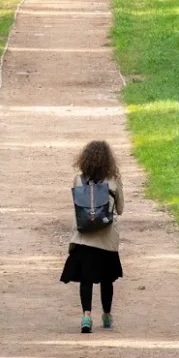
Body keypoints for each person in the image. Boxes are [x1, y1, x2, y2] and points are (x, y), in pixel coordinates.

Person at [59, 140, 125, 333]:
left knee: (86, 279)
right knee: (107, 279)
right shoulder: (114, 180)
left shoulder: (78, 179)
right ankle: (106, 315)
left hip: (84, 236)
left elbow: (77, 206)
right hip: (106, 237)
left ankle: (86, 316)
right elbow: (120, 210)